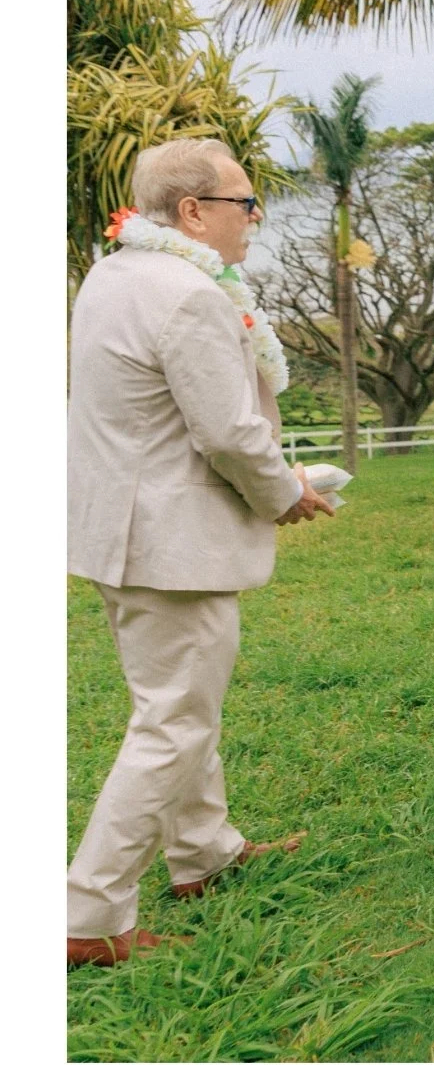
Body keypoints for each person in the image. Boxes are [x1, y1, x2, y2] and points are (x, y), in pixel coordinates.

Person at [66, 138, 332, 968]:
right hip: (168, 538)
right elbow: (224, 430)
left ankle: (204, 852)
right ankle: (88, 914)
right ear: (191, 213)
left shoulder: (112, 274)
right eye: (244, 203)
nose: (253, 218)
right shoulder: (188, 294)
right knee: (175, 720)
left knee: (179, 704)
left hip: (118, 528)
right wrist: (285, 493)